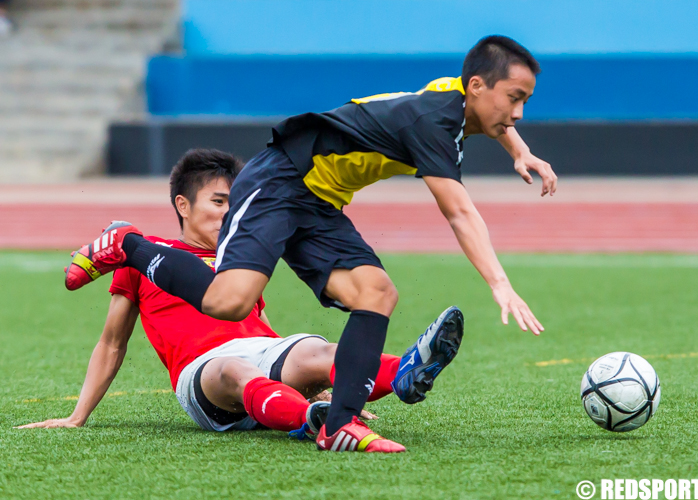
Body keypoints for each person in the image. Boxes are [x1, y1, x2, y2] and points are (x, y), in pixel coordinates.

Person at [63, 35, 554, 452]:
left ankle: (339, 424)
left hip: (320, 203)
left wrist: (521, 150)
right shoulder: (431, 123)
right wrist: (500, 282)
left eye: (526, 99)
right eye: (514, 98)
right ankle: (128, 243)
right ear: (477, 86)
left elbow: (491, 119)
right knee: (228, 302)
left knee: (377, 292)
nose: (518, 112)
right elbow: (458, 210)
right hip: (280, 179)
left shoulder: (451, 97)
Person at [19, 150, 465, 447]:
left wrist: (327, 381)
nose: (228, 213)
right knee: (236, 368)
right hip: (203, 373)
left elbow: (260, 330)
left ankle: (402, 375)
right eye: (217, 201)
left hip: (263, 354)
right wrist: (78, 416)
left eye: (235, 203)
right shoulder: (150, 256)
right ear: (182, 205)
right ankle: (315, 421)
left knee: (318, 348)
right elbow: (112, 343)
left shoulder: (244, 259)